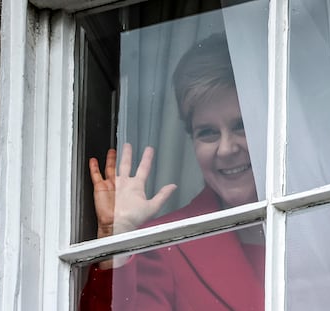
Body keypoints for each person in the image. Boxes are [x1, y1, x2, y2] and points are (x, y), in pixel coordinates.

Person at [79, 32, 265, 311]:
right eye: (208, 133)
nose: (226, 149)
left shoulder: (327, 223)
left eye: (241, 126)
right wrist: (115, 239)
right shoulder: (165, 243)